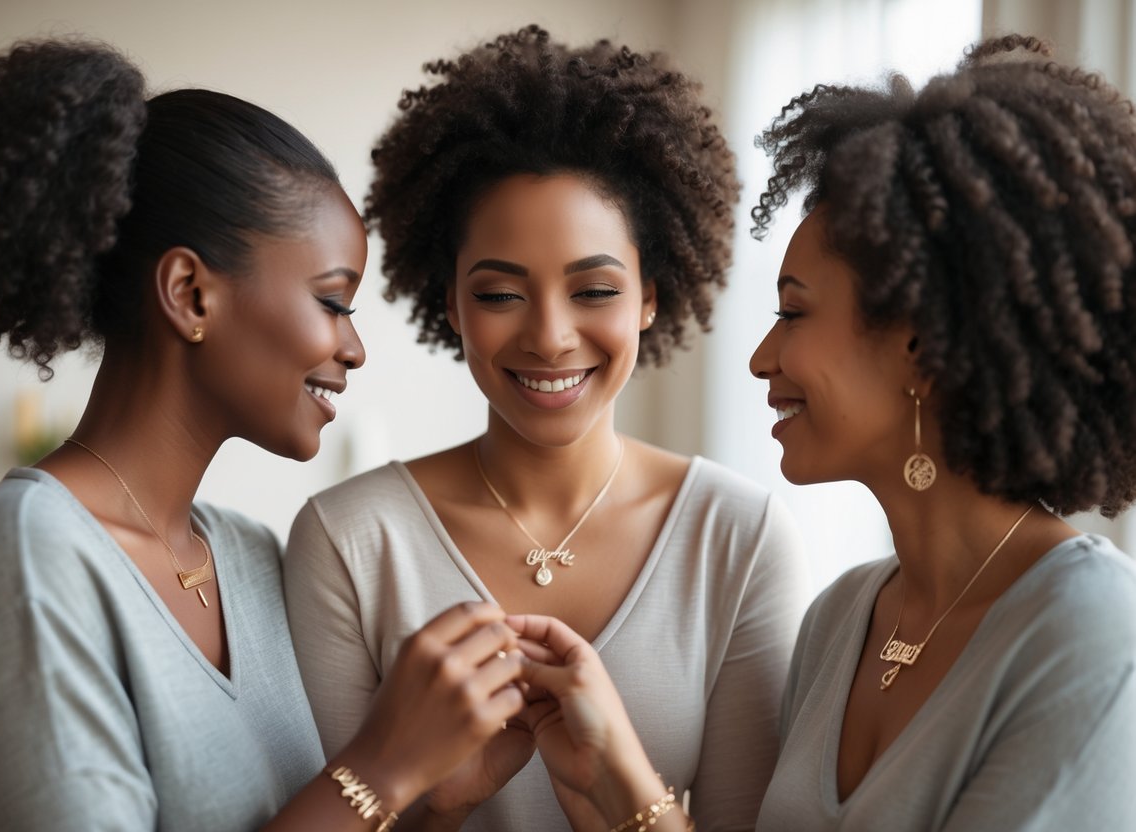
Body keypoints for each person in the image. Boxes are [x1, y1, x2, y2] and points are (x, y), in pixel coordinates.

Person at [481, 33, 1136, 832]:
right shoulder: (840, 621)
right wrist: (619, 782)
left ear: (922, 345)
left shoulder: (1094, 637)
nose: (761, 358)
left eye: (793, 312)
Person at [0, 39, 529, 831]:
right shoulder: (28, 550)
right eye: (333, 302)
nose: (354, 348)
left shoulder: (249, 560)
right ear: (190, 294)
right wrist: (382, 765)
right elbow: (353, 789)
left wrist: (430, 802)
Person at [282, 25, 810, 831]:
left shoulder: (736, 536)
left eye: (594, 291)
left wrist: (626, 785)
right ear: (449, 304)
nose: (549, 337)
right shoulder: (350, 540)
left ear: (649, 298)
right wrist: (443, 806)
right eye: (499, 295)